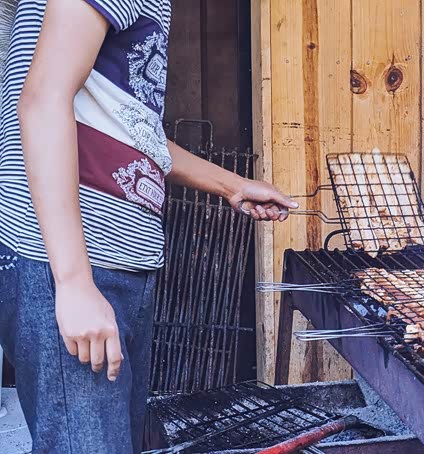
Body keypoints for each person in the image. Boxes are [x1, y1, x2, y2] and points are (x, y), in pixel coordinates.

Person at [0, 0, 296, 452]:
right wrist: (74, 283)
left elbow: (132, 130)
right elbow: (42, 102)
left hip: (110, 269)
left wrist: (233, 185)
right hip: (75, 265)